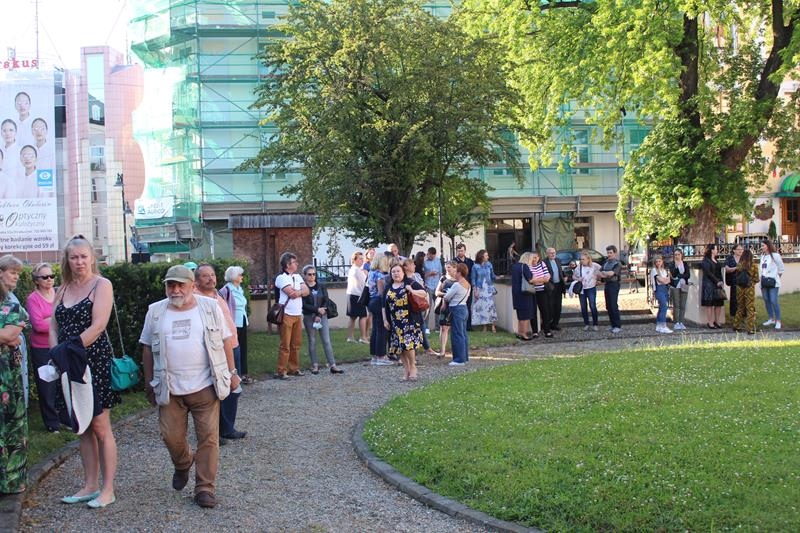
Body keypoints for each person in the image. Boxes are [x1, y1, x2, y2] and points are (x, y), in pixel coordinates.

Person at [140, 265, 240, 509]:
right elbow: (147, 348)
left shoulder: (210, 307)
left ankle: (205, 487)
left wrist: (232, 373)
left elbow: (226, 341)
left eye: (180, 285)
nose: (175, 290)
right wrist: (149, 382)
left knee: (209, 438)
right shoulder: (155, 311)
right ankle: (183, 463)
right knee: (170, 436)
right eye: (170, 285)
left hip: (205, 385)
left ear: (192, 286)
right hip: (169, 387)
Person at [50, 236, 119, 508]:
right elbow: (53, 326)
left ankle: (108, 489)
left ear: (92, 258)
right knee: (82, 426)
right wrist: (56, 354)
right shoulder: (62, 289)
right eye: (73, 257)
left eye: (83, 256)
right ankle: (90, 485)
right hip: (67, 363)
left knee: (100, 426)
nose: (79, 262)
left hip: (92, 361)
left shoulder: (102, 285)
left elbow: (98, 326)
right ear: (67, 260)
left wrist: (68, 351)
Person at [193, 264, 246, 444]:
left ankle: (227, 428)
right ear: (196, 280)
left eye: (213, 275)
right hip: (215, 350)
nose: (211, 279)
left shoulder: (219, 295)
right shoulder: (196, 299)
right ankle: (213, 433)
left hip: (232, 345)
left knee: (233, 387)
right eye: (205, 276)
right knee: (215, 391)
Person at [0, 255, 29, 494]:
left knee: (11, 426)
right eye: (13, 272)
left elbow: (11, 336)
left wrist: (8, 337)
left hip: (7, 377)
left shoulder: (13, 306)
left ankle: (11, 482)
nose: (16, 277)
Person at [26, 262, 60, 433]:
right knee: (47, 385)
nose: (49, 279)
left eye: (51, 276)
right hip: (41, 348)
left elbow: (67, 317)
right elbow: (38, 325)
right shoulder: (33, 299)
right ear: (36, 280)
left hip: (60, 345)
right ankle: (52, 423)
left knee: (62, 383)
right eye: (44, 277)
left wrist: (49, 319)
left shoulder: (59, 293)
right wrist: (56, 319)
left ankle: (66, 418)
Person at [382, 264, 425, 381]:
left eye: (398, 271)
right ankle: (406, 369)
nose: (396, 274)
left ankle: (413, 367)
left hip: (409, 320)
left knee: (409, 345)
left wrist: (411, 290)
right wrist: (385, 320)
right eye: (393, 272)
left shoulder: (410, 283)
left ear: (403, 272)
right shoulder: (388, 287)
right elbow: (383, 306)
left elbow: (423, 293)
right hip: (395, 322)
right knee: (399, 347)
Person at [301, 264, 344, 375]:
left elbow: (326, 300)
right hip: (309, 316)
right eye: (309, 274)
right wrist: (316, 310)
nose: (312, 276)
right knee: (312, 340)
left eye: (314, 274)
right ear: (304, 275)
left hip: (322, 316)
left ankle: (333, 365)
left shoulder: (321, 286)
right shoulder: (302, 288)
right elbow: (303, 304)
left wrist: (319, 314)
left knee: (326, 340)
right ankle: (314, 365)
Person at [274, 252, 309, 379]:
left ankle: (294, 368)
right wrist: (300, 291)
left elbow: (307, 291)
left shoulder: (298, 276)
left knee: (296, 344)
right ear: (288, 264)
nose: (297, 264)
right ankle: (281, 370)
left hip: (297, 314)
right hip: (286, 314)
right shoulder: (281, 278)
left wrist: (298, 292)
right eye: (294, 262)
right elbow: (291, 293)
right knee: (285, 344)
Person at [219, 266, 253, 385]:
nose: (242, 277)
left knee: (243, 347)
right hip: (232, 324)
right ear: (233, 277)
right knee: (234, 349)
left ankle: (244, 373)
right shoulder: (226, 290)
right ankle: (234, 374)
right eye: (240, 275)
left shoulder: (239, 289)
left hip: (242, 321)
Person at [402, 259, 438, 357]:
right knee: (413, 327)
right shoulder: (403, 278)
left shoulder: (416, 276)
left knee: (421, 325)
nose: (414, 266)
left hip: (418, 304)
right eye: (411, 264)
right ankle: (414, 349)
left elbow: (423, 288)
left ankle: (426, 348)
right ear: (405, 267)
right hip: (409, 306)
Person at [367, 254, 393, 366]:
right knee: (382, 330)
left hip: (371, 301)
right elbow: (382, 292)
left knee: (375, 330)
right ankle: (381, 356)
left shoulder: (371, 273)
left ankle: (374, 355)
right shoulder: (379, 275)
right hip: (378, 302)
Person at [445, 263, 471, 366]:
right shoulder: (468, 284)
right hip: (464, 308)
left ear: (459, 273)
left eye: (456, 272)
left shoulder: (457, 285)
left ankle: (459, 360)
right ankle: (464, 357)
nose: (454, 274)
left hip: (456, 309)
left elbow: (447, 297)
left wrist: (446, 293)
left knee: (456, 334)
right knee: (463, 334)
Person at [759, 240, 785, 330]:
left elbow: (781, 268)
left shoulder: (775, 255)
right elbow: (762, 269)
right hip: (764, 281)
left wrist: (776, 277)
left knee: (773, 300)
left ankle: (778, 321)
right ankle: (771, 318)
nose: (761, 247)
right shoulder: (762, 256)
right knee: (766, 300)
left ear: (768, 246)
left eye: (763, 245)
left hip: (773, 282)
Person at [733, 249, 760, 334]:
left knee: (740, 307)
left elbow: (736, 276)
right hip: (749, 288)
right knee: (750, 308)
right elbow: (756, 279)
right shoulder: (754, 265)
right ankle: (750, 328)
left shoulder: (739, 265)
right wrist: (752, 282)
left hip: (739, 288)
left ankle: (736, 326)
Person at [471, 249, 498, 333]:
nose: (488, 257)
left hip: (488, 288)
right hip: (479, 289)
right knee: (482, 307)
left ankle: (493, 326)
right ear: (481, 257)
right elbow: (473, 279)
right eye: (486, 255)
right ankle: (484, 326)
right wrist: (475, 290)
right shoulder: (475, 266)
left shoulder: (489, 264)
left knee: (491, 306)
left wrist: (499, 277)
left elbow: (492, 275)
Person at [434, 261, 457, 358]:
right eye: (446, 267)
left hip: (455, 306)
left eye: (449, 267)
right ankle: (442, 351)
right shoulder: (443, 278)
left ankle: (456, 351)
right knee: (443, 328)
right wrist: (446, 294)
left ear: (455, 268)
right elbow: (437, 292)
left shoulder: (459, 279)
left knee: (455, 329)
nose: (447, 269)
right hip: (444, 306)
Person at [511, 251, 535, 340]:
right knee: (526, 315)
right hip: (524, 293)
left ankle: (519, 332)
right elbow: (530, 279)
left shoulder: (515, 266)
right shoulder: (525, 267)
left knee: (520, 314)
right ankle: (524, 334)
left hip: (516, 293)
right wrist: (542, 279)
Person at [574, 251, 601, 331]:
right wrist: (578, 278)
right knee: (583, 307)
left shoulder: (594, 265)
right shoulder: (579, 267)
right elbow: (573, 276)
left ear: (588, 259)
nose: (582, 261)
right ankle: (586, 323)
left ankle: (595, 324)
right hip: (582, 289)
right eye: (581, 259)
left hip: (591, 288)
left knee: (592, 306)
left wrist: (598, 279)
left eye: (583, 259)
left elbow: (602, 270)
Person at [345, 251, 368, 343]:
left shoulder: (353, 269)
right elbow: (364, 282)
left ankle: (350, 337)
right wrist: (366, 274)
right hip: (357, 295)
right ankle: (363, 337)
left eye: (363, 259)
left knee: (353, 317)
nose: (362, 261)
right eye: (360, 259)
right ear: (354, 260)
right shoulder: (357, 270)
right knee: (363, 316)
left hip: (352, 295)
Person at [700, 244, 725, 329]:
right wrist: (717, 281)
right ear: (712, 250)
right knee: (709, 304)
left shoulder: (716, 260)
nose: (717, 251)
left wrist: (721, 281)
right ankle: (710, 322)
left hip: (718, 284)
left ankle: (717, 321)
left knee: (718, 303)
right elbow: (708, 273)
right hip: (709, 284)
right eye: (716, 249)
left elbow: (719, 272)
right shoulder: (705, 261)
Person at [598, 245, 622, 333]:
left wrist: (604, 273)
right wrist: (605, 274)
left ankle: (617, 326)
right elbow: (599, 272)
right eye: (608, 253)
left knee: (613, 305)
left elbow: (612, 273)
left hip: (614, 285)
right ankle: (612, 324)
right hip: (607, 284)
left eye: (610, 253)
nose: (609, 254)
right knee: (608, 306)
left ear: (615, 253)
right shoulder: (606, 262)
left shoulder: (617, 263)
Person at [529, 251, 553, 338]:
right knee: (533, 312)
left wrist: (536, 280)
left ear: (539, 258)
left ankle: (547, 331)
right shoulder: (528, 266)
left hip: (542, 291)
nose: (534, 259)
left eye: (536, 257)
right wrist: (541, 279)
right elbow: (530, 280)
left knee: (545, 311)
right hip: (532, 292)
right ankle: (535, 332)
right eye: (533, 257)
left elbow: (546, 278)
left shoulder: (542, 264)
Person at [454, 243, 475, 330]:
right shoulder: (454, 262)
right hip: (458, 286)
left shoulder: (470, 262)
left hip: (468, 287)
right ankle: (459, 325)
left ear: (465, 251)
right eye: (458, 251)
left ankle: (468, 326)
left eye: (461, 251)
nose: (460, 252)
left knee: (468, 306)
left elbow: (472, 275)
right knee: (459, 306)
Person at [668, 249, 691, 331]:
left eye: (678, 254)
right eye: (675, 255)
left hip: (684, 285)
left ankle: (681, 322)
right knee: (676, 304)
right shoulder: (672, 264)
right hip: (675, 286)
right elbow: (674, 274)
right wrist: (677, 267)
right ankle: (676, 322)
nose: (677, 256)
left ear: (681, 255)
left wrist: (681, 275)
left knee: (683, 305)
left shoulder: (685, 264)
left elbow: (688, 275)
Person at [650, 254, 673, 333]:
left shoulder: (664, 270)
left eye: (659, 261)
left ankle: (659, 325)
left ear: (662, 261)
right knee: (664, 307)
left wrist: (665, 280)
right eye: (656, 262)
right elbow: (661, 280)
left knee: (661, 307)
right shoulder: (654, 270)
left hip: (664, 289)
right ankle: (663, 325)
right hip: (658, 289)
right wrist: (664, 280)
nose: (658, 263)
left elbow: (668, 280)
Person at [544, 247, 565, 331]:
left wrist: (564, 277)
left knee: (558, 306)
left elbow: (560, 272)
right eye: (551, 253)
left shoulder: (558, 261)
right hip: (550, 286)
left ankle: (555, 324)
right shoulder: (544, 262)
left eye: (554, 252)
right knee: (550, 306)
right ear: (547, 254)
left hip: (559, 286)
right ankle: (548, 324)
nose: (553, 254)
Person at [422, 247, 441, 333]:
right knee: (427, 307)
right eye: (430, 256)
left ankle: (438, 327)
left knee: (438, 307)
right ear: (428, 254)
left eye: (433, 256)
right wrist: (430, 273)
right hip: (428, 286)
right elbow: (422, 275)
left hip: (437, 286)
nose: (432, 257)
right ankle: (426, 327)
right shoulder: (424, 262)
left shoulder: (438, 260)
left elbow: (440, 272)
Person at [724, 244, 744, 321]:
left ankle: (743, 315)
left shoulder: (744, 258)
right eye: (738, 249)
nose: (740, 251)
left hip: (743, 281)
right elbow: (727, 269)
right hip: (734, 281)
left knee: (743, 299)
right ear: (734, 250)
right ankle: (734, 315)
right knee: (734, 298)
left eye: (741, 249)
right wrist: (736, 268)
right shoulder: (729, 258)